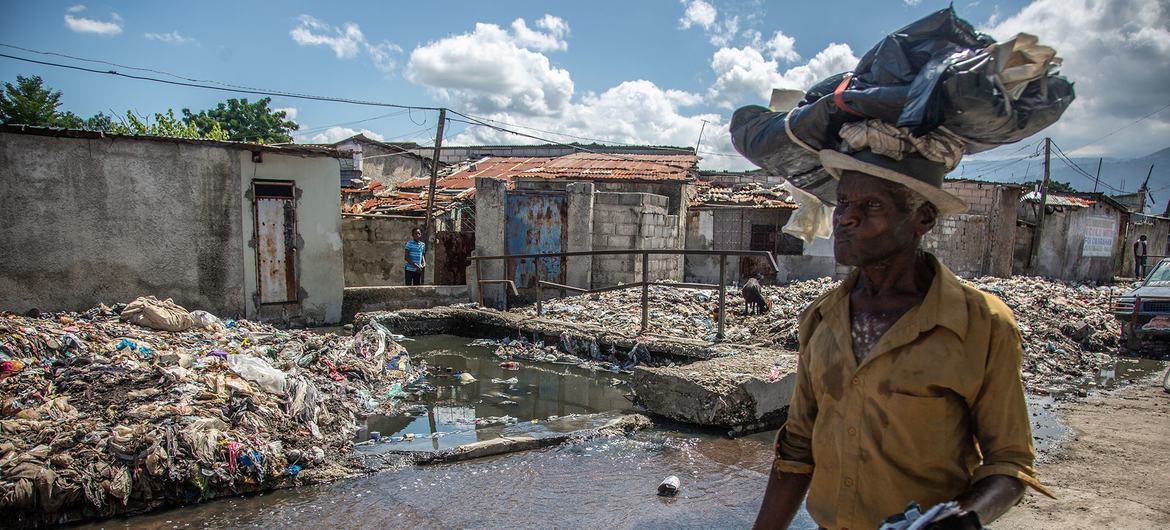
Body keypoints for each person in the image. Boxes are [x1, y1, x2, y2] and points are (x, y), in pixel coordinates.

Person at [754, 149, 1052, 530]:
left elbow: (1009, 463)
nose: (845, 217)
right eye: (843, 201)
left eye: (871, 204)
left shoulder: (981, 324)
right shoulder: (822, 318)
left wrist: (964, 516)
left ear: (922, 218)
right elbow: (797, 447)